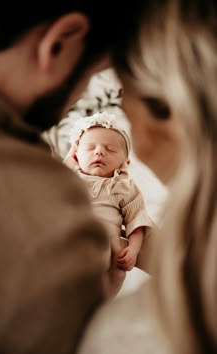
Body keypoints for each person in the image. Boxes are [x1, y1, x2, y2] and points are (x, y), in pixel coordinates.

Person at [0, 3, 141, 354]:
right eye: (93, 73)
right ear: (59, 44)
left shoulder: (121, 187)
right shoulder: (44, 200)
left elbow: (136, 215)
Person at [78, 1, 217, 354]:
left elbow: (137, 217)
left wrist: (133, 244)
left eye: (126, 109)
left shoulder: (123, 335)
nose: (98, 154)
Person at [64, 112, 153, 297]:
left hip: (111, 242)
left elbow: (137, 221)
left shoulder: (124, 186)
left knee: (117, 267)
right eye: (89, 148)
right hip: (73, 235)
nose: (99, 152)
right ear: (75, 156)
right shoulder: (69, 178)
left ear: (125, 163)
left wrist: (134, 250)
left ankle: (104, 301)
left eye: (111, 149)